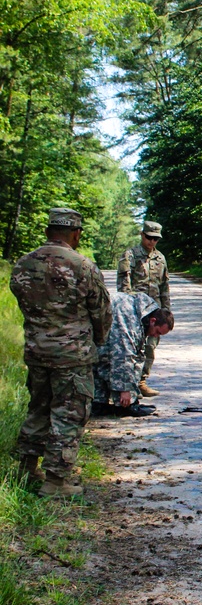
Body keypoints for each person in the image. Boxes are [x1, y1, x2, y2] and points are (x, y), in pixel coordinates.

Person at [9, 208, 112, 497]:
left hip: (36, 351)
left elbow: (24, 303)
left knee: (39, 408)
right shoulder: (83, 266)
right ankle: (56, 480)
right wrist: (98, 341)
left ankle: (26, 467)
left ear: (47, 232)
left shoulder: (23, 264)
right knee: (68, 415)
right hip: (72, 356)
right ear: (76, 234)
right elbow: (102, 313)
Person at [93, 293, 175, 417]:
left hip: (98, 337)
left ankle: (100, 403)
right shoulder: (129, 318)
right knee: (110, 360)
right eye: (157, 332)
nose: (155, 336)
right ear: (153, 321)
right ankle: (121, 405)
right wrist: (125, 390)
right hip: (91, 341)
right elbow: (123, 355)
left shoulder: (143, 313)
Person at [118, 221, 171, 397]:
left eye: (155, 239)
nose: (152, 242)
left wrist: (166, 311)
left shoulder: (160, 258)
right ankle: (130, 383)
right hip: (135, 311)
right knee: (132, 348)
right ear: (142, 235)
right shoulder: (130, 255)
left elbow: (164, 286)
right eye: (149, 238)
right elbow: (124, 285)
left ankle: (141, 381)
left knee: (150, 347)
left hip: (154, 310)